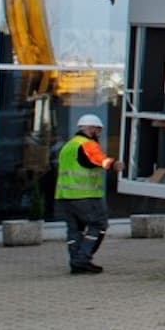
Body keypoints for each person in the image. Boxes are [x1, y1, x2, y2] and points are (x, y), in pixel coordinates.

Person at [56, 113, 117, 275]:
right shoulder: (87, 144)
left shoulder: (68, 146)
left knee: (74, 230)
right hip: (85, 195)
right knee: (98, 225)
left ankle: (76, 262)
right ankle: (82, 259)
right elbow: (98, 159)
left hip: (65, 195)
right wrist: (113, 164)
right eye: (98, 131)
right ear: (92, 129)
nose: (99, 134)